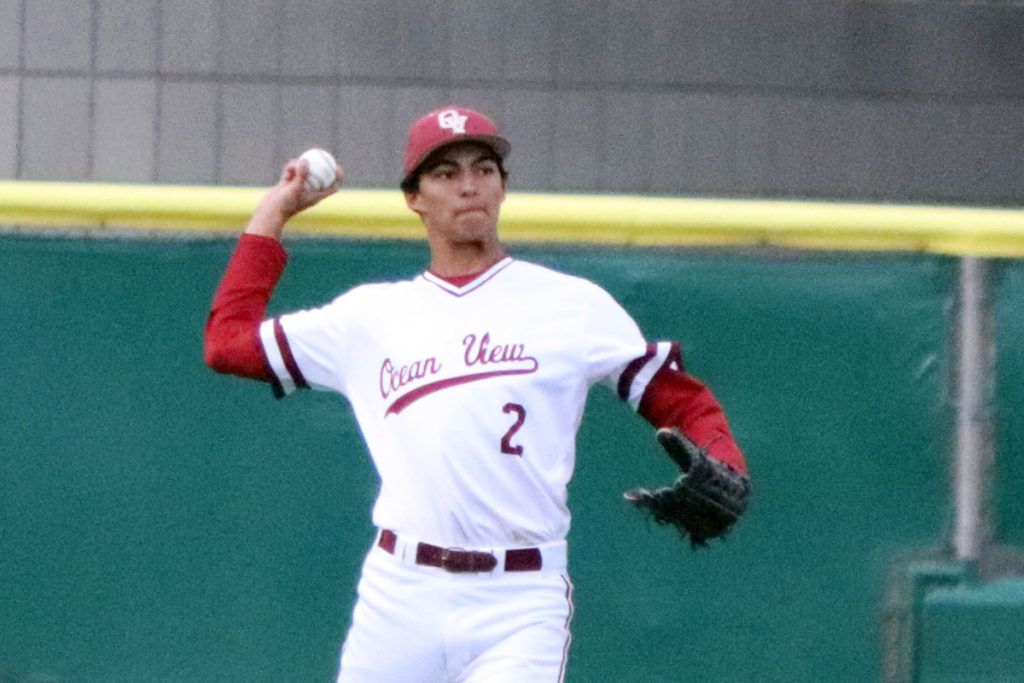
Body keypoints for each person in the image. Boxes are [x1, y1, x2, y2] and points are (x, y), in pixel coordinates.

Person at [204, 105, 748, 682]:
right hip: (400, 595)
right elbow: (227, 343)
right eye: (446, 173)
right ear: (414, 197)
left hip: (521, 599)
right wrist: (275, 210)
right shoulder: (367, 318)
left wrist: (726, 461)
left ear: (502, 186)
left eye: (483, 169)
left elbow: (677, 397)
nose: (469, 185)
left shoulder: (571, 304)